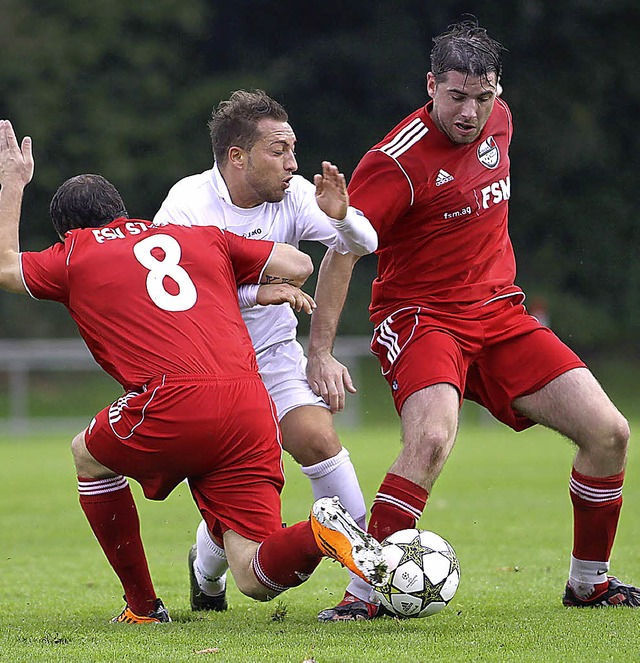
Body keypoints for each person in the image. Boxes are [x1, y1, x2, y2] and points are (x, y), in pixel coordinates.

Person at [306, 19, 640, 621]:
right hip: (421, 317)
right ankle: (363, 595)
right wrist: (320, 351)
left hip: (499, 313)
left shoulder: (500, 119)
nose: (470, 111)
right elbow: (345, 249)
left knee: (609, 433)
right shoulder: (393, 162)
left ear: (497, 90)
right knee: (431, 437)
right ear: (431, 85)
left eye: (482, 96)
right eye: (457, 96)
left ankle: (589, 583)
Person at [0, 119, 389, 624]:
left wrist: (12, 184)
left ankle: (142, 607)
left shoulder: (77, 251)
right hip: (250, 404)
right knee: (254, 576)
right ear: (121, 210)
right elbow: (297, 265)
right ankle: (320, 532)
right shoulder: (196, 236)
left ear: (67, 232)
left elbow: (6, 268)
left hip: (175, 399)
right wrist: (249, 284)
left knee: (86, 454)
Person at [153, 89, 378, 611]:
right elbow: (179, 297)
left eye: (294, 149)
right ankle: (205, 572)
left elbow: (360, 243)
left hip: (273, 357)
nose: (293, 164)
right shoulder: (186, 204)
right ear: (237, 156)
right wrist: (258, 290)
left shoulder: (296, 193)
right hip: (208, 367)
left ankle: (364, 587)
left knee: (318, 439)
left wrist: (341, 217)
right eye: (279, 151)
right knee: (238, 506)